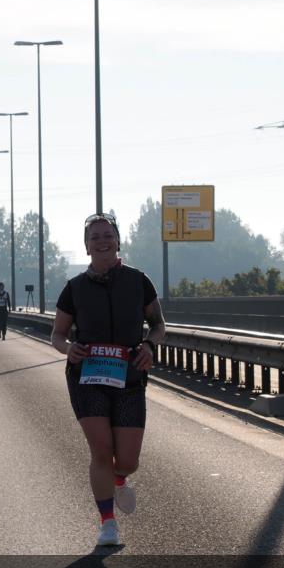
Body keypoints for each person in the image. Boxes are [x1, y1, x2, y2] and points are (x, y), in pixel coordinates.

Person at [51, 212, 165, 547]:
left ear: (117, 241)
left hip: (129, 375)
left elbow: (158, 325)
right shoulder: (74, 288)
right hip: (87, 377)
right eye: (95, 237)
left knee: (127, 459)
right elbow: (57, 335)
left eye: (107, 235)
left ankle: (119, 479)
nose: (102, 241)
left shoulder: (138, 280)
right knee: (101, 450)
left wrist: (149, 345)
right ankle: (107, 524)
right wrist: (68, 349)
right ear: (86, 247)